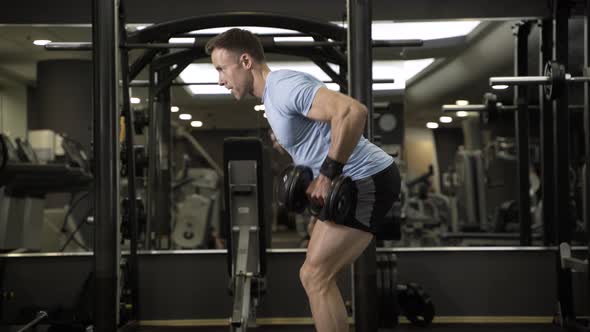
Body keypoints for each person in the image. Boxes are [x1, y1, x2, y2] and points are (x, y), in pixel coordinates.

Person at [206, 28, 401, 332]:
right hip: (356, 181)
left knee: (315, 276)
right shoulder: (271, 98)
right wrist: (289, 143)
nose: (219, 79)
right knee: (316, 276)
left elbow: (352, 112)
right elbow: (316, 133)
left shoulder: (283, 86)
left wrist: (326, 175)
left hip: (366, 178)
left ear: (245, 61)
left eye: (221, 68)